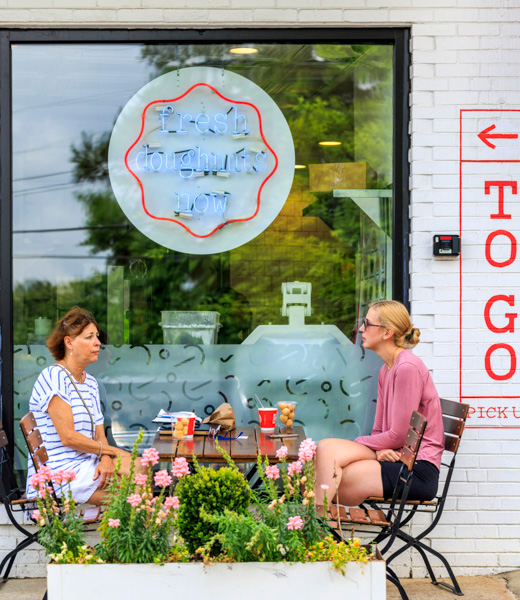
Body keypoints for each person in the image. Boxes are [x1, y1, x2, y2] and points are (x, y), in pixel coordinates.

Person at [315, 300, 445, 511]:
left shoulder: (407, 368)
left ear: (387, 333)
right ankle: (323, 528)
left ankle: (317, 529)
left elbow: (400, 435)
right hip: (397, 456)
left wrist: (359, 444)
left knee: (327, 475)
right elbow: (380, 430)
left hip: (416, 469)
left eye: (367, 324)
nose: (361, 330)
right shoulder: (387, 369)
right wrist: (376, 451)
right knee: (325, 452)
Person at [26, 307, 141, 506]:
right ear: (69, 342)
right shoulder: (54, 377)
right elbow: (68, 437)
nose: (97, 342)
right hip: (60, 472)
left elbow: (99, 434)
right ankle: (135, 531)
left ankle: (134, 530)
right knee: (130, 493)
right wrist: (109, 452)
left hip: (87, 463)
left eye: (96, 336)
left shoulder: (90, 383)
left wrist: (105, 458)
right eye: (89, 337)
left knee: (140, 465)